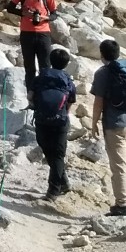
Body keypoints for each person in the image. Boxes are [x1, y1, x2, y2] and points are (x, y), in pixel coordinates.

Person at [89, 35, 126, 217]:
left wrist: (94, 122)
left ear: (102, 54)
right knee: (123, 165)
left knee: (118, 167)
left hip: (115, 126)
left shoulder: (103, 73)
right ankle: (124, 200)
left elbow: (98, 102)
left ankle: (122, 205)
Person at [30, 45, 76, 198]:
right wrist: (65, 111)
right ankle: (58, 186)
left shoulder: (41, 77)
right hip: (61, 120)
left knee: (49, 152)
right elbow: (71, 100)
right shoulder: (67, 80)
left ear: (50, 61)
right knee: (58, 155)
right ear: (66, 64)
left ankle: (56, 188)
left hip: (42, 119)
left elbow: (30, 96)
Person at [6, 0, 59, 83]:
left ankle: (44, 93)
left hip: (44, 34)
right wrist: (24, 13)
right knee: (29, 67)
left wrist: (45, 18)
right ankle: (31, 93)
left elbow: (55, 14)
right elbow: (10, 8)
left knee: (45, 66)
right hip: (27, 33)